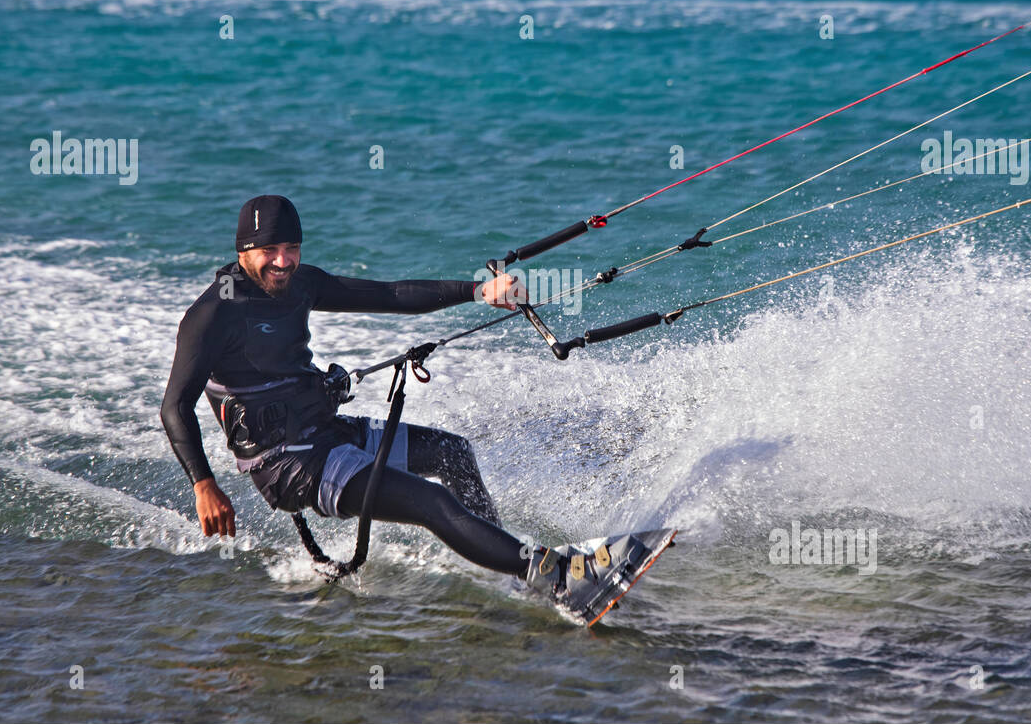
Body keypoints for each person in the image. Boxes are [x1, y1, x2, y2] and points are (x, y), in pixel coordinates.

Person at [160, 194, 669, 621]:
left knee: (453, 454)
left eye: (291, 247)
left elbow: (392, 294)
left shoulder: (301, 285)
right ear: (244, 251)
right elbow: (175, 407)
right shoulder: (212, 315)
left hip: (326, 431)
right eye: (269, 250)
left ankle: (509, 564)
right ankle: (560, 577)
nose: (283, 260)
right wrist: (204, 483)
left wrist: (477, 290)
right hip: (289, 466)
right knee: (430, 502)